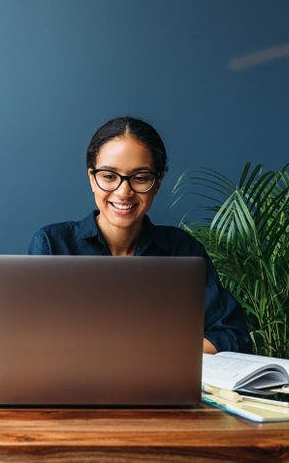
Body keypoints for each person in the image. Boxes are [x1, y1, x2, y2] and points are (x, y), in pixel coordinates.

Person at [27, 116, 250, 353]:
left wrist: (156, 354)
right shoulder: (53, 245)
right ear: (92, 178)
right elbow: (26, 339)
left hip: (161, 385)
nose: (124, 192)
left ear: (158, 182)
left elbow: (231, 335)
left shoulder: (182, 251)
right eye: (109, 176)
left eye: (141, 178)